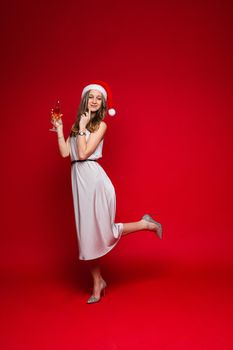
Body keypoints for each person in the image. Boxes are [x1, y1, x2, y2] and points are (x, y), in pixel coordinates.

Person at [51, 80, 162, 304]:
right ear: (85, 99)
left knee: (104, 232)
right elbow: (66, 154)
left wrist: (82, 127)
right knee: (87, 238)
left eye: (98, 98)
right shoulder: (78, 124)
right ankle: (98, 282)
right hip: (79, 182)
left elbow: (83, 154)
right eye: (90, 96)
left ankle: (146, 224)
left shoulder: (100, 125)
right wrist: (60, 130)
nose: (93, 101)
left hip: (95, 182)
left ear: (102, 103)